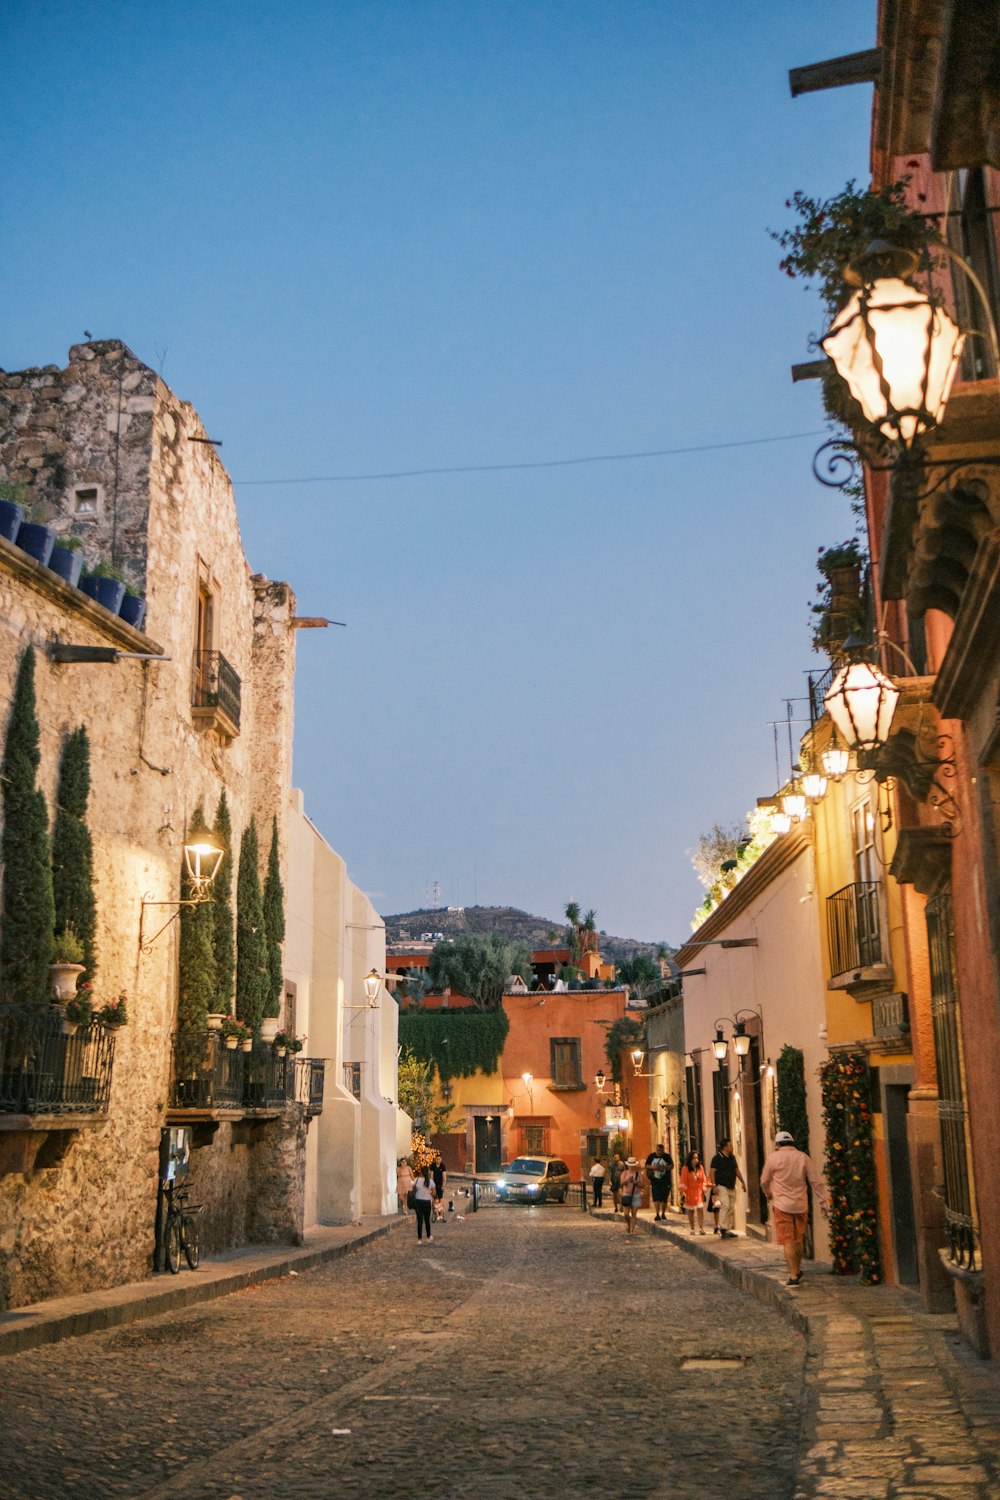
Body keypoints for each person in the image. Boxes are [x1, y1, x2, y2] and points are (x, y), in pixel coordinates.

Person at [760, 1129, 828, 1286]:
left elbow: (764, 1181)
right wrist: (823, 1201)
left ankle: (793, 1275)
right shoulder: (803, 1157)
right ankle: (797, 1270)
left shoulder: (773, 1159)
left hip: (782, 1205)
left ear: (777, 1144)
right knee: (798, 1239)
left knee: (788, 1240)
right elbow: (815, 1181)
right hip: (800, 1204)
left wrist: (768, 1194)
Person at [707, 1137, 746, 1240]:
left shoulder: (732, 1157)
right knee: (725, 1205)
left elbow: (736, 1170)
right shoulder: (717, 1158)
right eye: (730, 1145)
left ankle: (727, 1228)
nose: (732, 1147)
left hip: (731, 1185)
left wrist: (742, 1181)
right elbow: (712, 1172)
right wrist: (714, 1185)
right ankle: (723, 1228)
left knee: (731, 1207)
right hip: (721, 1185)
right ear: (724, 1147)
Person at [679, 1149, 707, 1235]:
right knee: (691, 1211)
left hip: (698, 1191)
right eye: (694, 1158)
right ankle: (692, 1228)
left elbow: (703, 1179)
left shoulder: (700, 1168)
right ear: (690, 1159)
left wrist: (704, 1186)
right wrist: (683, 1191)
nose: (696, 1160)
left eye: (697, 1158)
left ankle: (701, 1228)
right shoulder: (685, 1169)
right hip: (690, 1192)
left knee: (700, 1209)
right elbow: (683, 1181)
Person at [644, 1143, 674, 1222]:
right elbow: (646, 1165)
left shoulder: (667, 1157)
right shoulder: (651, 1156)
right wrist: (653, 1167)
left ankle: (663, 1213)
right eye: (658, 1150)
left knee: (664, 1197)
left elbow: (672, 1166)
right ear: (656, 1149)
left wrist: (664, 1167)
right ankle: (657, 1213)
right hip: (655, 1180)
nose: (660, 1152)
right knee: (656, 1197)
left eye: (661, 1150)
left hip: (665, 1180)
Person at [619, 1156, 644, 1238]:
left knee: (634, 1213)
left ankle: (632, 1230)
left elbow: (642, 1185)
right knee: (626, 1214)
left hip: (636, 1195)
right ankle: (629, 1225)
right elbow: (622, 1183)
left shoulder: (638, 1174)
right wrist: (627, 1180)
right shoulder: (625, 1173)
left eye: (632, 1165)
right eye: (630, 1165)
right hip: (626, 1195)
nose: (631, 1166)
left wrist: (636, 1182)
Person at [413, 1163, 434, 1244]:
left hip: (418, 1201)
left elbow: (412, 1189)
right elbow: (434, 1193)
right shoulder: (431, 1181)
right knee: (427, 1220)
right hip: (427, 1201)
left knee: (419, 1220)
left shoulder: (416, 1180)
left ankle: (419, 1239)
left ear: (421, 1172)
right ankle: (428, 1236)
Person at [431, 1153, 447, 1222]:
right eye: (437, 1159)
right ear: (435, 1159)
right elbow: (431, 1176)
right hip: (434, 1184)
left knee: (441, 1199)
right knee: (434, 1199)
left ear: (441, 1159)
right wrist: (432, 1185)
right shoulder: (433, 1166)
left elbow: (444, 1176)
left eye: (439, 1159)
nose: (438, 1160)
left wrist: (443, 1185)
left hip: (440, 1184)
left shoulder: (442, 1166)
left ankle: (441, 1214)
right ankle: (435, 1214)